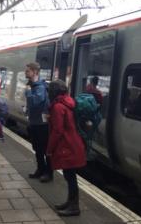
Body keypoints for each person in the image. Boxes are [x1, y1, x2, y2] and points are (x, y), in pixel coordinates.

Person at [47, 80, 86, 216]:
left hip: (67, 146)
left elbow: (57, 131)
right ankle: (70, 202)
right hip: (73, 143)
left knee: (70, 176)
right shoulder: (68, 101)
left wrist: (49, 149)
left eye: (50, 91)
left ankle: (74, 207)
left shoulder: (58, 107)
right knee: (70, 176)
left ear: (54, 92)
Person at [25, 62, 53, 183]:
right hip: (35, 122)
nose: (26, 72)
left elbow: (35, 102)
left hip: (42, 125)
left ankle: (49, 173)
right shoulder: (33, 85)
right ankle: (40, 169)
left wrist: (28, 92)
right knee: (38, 148)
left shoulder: (40, 87)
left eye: (28, 71)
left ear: (35, 72)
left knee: (45, 149)